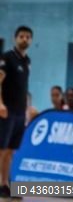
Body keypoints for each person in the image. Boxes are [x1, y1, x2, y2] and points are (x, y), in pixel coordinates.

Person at [0, 26, 33, 199]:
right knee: (2, 149)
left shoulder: (27, 61)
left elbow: (24, 87)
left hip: (20, 112)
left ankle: (6, 184)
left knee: (11, 150)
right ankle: (1, 183)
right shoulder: (7, 58)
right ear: (15, 38)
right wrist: (0, 104)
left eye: (28, 37)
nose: (25, 39)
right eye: (21, 36)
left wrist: (28, 108)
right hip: (7, 110)